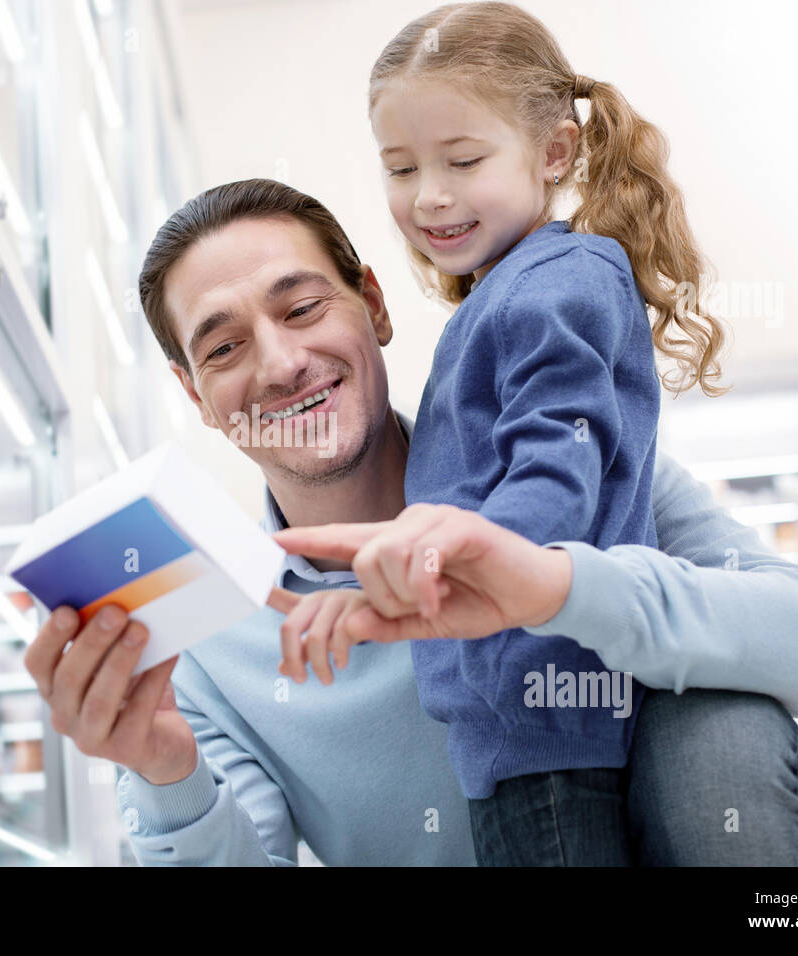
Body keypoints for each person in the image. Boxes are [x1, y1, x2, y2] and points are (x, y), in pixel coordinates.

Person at [23, 178, 798, 866]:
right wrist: (169, 774)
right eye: (223, 348)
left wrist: (558, 587)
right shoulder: (211, 644)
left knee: (717, 725)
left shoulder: (561, 468)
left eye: (303, 308)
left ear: (375, 306)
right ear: (196, 397)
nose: (282, 364)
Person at [269, 1, 735, 865]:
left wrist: (446, 555)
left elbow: (557, 472)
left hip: (548, 732)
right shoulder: (512, 291)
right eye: (400, 169)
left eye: (463, 159)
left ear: (555, 152)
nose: (429, 195)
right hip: (533, 722)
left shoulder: (553, 284)